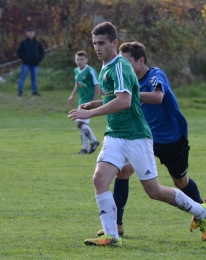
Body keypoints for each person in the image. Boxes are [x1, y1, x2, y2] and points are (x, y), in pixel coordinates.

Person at [68, 22, 206, 246]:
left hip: (137, 136)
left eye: (101, 43)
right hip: (115, 135)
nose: (97, 48)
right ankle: (113, 234)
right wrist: (93, 104)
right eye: (94, 43)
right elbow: (113, 96)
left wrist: (93, 113)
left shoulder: (121, 66)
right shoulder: (105, 67)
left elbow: (124, 101)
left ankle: (202, 213)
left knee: (155, 191)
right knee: (100, 178)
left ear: (114, 43)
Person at [97, 41, 205, 237]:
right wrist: (96, 104)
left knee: (180, 181)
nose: (124, 66)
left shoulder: (155, 75)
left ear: (141, 60)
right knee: (123, 172)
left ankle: (201, 213)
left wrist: (131, 95)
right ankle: (117, 225)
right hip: (145, 136)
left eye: (128, 62)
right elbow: (120, 100)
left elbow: (157, 97)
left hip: (172, 138)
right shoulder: (127, 80)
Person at [68, 51, 100, 154]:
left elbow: (97, 85)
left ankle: (94, 141)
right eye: (78, 59)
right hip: (81, 101)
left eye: (82, 59)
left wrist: (95, 100)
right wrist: (72, 95)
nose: (79, 61)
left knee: (79, 123)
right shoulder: (76, 71)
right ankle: (85, 149)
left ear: (86, 60)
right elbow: (77, 84)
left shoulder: (90, 71)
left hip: (89, 101)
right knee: (81, 124)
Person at [17, 27, 45, 97]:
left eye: (32, 32)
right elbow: (19, 51)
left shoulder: (37, 43)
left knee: (34, 78)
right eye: (29, 32)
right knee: (22, 77)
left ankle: (34, 91)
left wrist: (39, 59)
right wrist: (24, 58)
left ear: (34, 33)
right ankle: (20, 91)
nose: (30, 34)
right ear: (27, 33)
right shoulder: (23, 43)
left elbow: (42, 52)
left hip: (35, 64)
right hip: (26, 63)